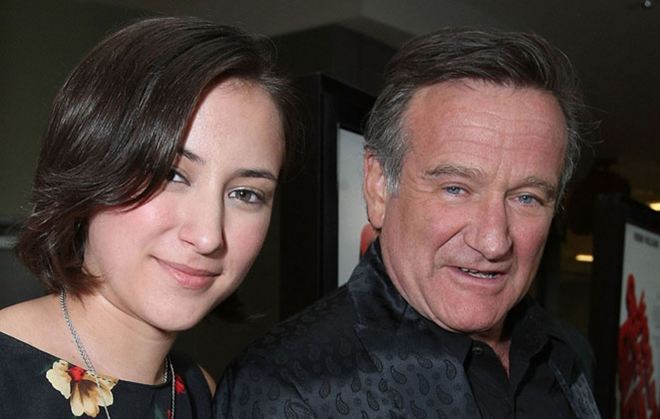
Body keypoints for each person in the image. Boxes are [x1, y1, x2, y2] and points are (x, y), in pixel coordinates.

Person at [216, 27, 601, 418]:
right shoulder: (287, 387)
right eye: (455, 188)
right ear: (379, 187)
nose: (493, 241)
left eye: (526, 198)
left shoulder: (567, 353)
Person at [0, 16, 300, 419]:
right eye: (171, 175)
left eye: (245, 194)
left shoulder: (201, 394)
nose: (208, 236)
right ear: (91, 163)